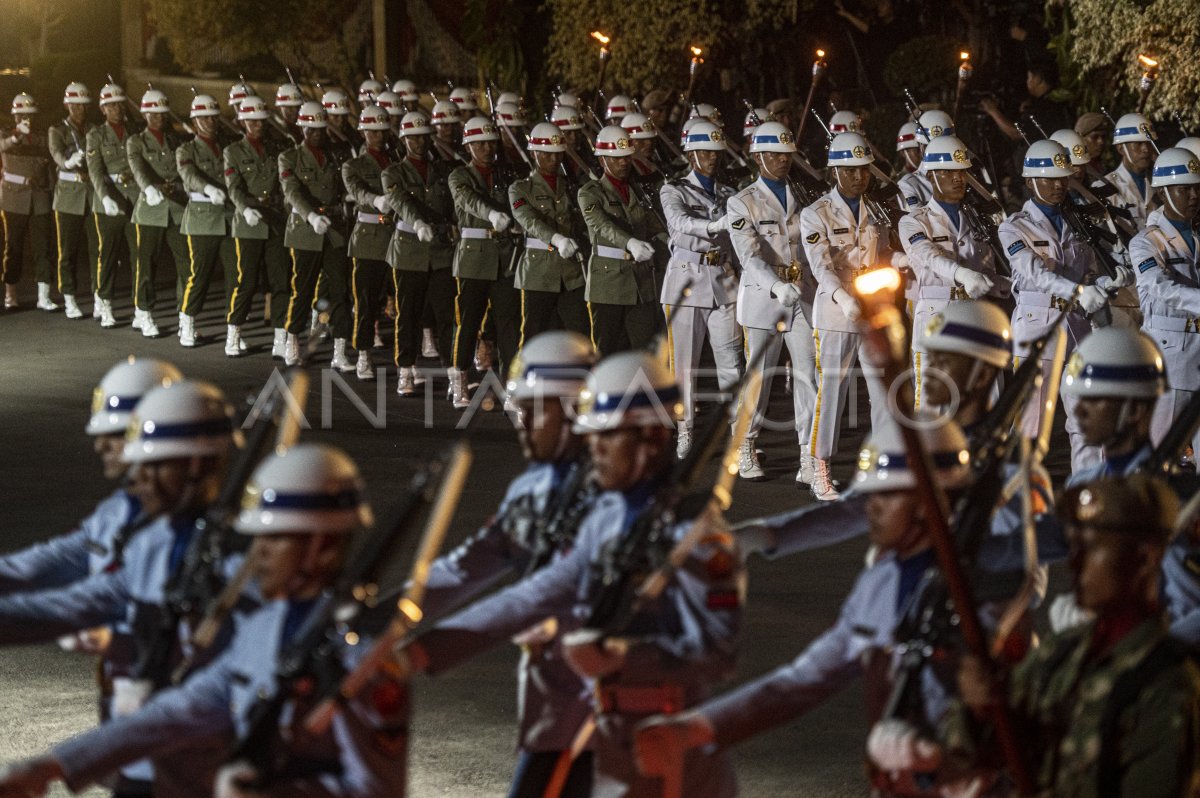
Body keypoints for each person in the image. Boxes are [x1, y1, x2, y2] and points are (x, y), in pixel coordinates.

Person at [400, 350, 743, 798]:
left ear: (651, 438)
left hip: (671, 748)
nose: (593, 450)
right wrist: (422, 650)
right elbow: (533, 594)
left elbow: (717, 652)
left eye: (606, 438)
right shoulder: (602, 519)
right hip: (602, 737)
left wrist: (622, 656)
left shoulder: (699, 537)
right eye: (591, 437)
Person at [0, 444, 407, 798]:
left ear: (325, 546)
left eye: (275, 538)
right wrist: (51, 766)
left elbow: (376, 791)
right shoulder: (263, 629)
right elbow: (178, 712)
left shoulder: (364, 662)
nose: (258, 552)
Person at [633, 420, 995, 795]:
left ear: (927, 504)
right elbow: (802, 681)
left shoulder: (983, 592)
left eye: (885, 497)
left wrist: (940, 753)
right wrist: (697, 727)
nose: (869, 508)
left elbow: (1023, 717)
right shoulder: (880, 586)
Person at [0, 380, 248, 797]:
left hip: (218, 771)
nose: (140, 478)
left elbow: (205, 698)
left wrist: (56, 763)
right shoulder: (153, 543)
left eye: (154, 465)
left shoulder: (246, 566)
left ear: (197, 467)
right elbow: (62, 605)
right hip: (143, 749)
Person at [411, 331, 600, 796]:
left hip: (610, 712)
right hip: (553, 701)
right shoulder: (534, 488)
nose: (521, 422)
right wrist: (379, 615)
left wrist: (423, 649)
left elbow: (550, 593)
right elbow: (470, 563)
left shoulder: (618, 495)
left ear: (576, 410)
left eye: (534, 409)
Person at [950, 474, 1200, 797]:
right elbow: (978, 752)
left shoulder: (1170, 685)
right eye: (1074, 545)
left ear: (1144, 559)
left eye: (1092, 547)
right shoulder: (1061, 653)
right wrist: (978, 708)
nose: (1075, 562)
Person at [999, 139, 1126, 472]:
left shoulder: (1077, 222)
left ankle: (1087, 492)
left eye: (1062, 178)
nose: (1058, 185)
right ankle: (1020, 498)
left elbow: (1090, 273)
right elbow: (1034, 272)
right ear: (1030, 182)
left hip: (1080, 327)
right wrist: (1081, 291)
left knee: (1087, 421)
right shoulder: (1014, 226)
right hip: (1038, 328)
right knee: (1031, 424)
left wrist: (1106, 282)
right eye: (1049, 178)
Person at [801, 131, 901, 500]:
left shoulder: (874, 208)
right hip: (836, 307)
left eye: (864, 169)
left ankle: (881, 460)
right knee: (832, 390)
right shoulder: (816, 213)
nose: (860, 176)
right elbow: (820, 266)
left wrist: (902, 261)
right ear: (835, 172)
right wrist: (844, 298)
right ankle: (820, 466)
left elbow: (885, 252)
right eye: (851, 170)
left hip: (873, 304)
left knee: (883, 388)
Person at [725, 120, 817, 484]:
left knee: (808, 376)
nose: (783, 160)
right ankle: (744, 443)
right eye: (776, 154)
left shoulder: (805, 194)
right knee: (758, 378)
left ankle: (809, 456)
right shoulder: (741, 201)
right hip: (766, 296)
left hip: (803, 294)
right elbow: (749, 256)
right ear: (759, 156)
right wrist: (777, 286)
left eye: (787, 153)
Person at [900, 135, 1007, 403]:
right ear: (931, 176)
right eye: (948, 172)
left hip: (976, 315)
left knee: (990, 402)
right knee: (931, 407)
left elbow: (987, 270)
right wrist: (962, 275)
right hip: (937, 316)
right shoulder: (914, 221)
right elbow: (929, 256)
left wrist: (1007, 283)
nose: (958, 179)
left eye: (961, 172)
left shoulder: (977, 219)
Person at [660, 119, 743, 459]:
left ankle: (739, 435)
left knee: (732, 363)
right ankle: (685, 430)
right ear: (691, 153)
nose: (711, 157)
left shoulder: (727, 193)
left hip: (722, 278)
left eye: (715, 151)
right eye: (705, 151)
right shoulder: (673, 189)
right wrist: (715, 224)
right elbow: (679, 224)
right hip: (687, 279)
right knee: (685, 366)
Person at [446, 115, 522, 407]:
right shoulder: (460, 176)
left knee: (508, 326)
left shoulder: (506, 174)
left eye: (491, 143)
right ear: (469, 146)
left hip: (504, 257)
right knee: (467, 323)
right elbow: (468, 200)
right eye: (480, 144)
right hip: (474, 257)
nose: (488, 148)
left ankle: (511, 387)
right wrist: (492, 214)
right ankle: (460, 380)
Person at [1130, 147, 1200, 458]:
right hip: (1170, 355)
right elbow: (1160, 287)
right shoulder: (1147, 241)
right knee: (1159, 453)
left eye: (1196, 187)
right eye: (1184, 189)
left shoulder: (1198, 238)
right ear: (1164, 191)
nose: (1194, 195)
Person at [382, 110, 457, 398]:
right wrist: (418, 222)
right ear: (404, 140)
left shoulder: (442, 170)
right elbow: (399, 200)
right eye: (413, 138)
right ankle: (406, 369)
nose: (419, 143)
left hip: (439, 251)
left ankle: (453, 370)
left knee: (446, 314)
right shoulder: (393, 173)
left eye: (423, 137)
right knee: (408, 314)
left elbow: (450, 205)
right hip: (410, 250)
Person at [578, 125, 666, 357]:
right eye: (616, 159)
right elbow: (601, 224)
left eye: (626, 157)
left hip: (641, 282)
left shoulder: (638, 190)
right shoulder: (590, 192)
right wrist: (630, 243)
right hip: (608, 284)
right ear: (603, 160)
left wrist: (672, 240)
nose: (623, 163)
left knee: (645, 351)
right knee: (608, 352)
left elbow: (654, 223)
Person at [279, 101, 354, 369]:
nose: (317, 134)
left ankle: (340, 350)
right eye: (311, 129)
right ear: (302, 129)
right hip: (305, 230)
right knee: (302, 290)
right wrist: (310, 215)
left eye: (321, 129)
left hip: (333, 229)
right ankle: (292, 340)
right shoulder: (290, 157)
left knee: (340, 290)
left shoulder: (336, 156)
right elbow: (292, 192)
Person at [508, 121, 590, 344]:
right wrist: (557, 238)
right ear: (534, 154)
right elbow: (529, 220)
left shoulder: (572, 186)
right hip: (538, 273)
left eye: (557, 154)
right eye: (547, 154)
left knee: (580, 333)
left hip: (571, 272)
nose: (554, 160)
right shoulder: (520, 188)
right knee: (533, 335)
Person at [223, 95, 291, 359]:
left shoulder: (276, 149)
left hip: (274, 219)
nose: (257, 125)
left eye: (261, 121)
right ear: (243, 122)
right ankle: (234, 334)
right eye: (251, 121)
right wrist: (245, 208)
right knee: (246, 282)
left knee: (280, 281)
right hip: (249, 221)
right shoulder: (233, 152)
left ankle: (280, 338)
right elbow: (234, 188)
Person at [126, 88, 186, 340]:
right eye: (154, 113)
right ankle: (145, 311)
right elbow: (138, 169)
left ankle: (186, 315)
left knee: (186, 264)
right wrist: (149, 188)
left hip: (178, 207)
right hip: (151, 207)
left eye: (162, 113)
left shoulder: (176, 140)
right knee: (146, 263)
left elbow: (184, 169)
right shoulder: (136, 141)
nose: (159, 117)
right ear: (145, 114)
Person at [342, 104, 397, 380]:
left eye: (382, 129)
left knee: (405, 300)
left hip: (398, 236)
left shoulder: (397, 159)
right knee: (366, 301)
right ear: (363, 131)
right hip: (370, 238)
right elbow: (356, 189)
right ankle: (363, 353)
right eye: (372, 130)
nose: (378, 135)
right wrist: (375, 200)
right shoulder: (353, 165)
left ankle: (406, 356)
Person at [175, 94, 233, 349]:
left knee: (236, 274)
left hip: (229, 215)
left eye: (212, 117)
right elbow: (188, 175)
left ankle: (234, 329)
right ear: (194, 121)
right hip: (202, 216)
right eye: (203, 118)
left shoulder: (227, 148)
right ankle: (187, 322)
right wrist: (208, 189)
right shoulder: (186, 149)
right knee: (199, 274)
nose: (209, 122)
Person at [86, 81, 139, 329]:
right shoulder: (96, 135)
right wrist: (105, 197)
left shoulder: (134, 132)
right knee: (107, 255)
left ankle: (141, 306)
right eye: (111, 105)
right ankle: (104, 302)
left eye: (120, 104)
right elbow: (95, 171)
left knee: (139, 254)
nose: (117, 109)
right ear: (103, 108)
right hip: (110, 198)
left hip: (135, 198)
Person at [1, 93, 55, 311]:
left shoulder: (42, 137)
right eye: (22, 115)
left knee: (43, 246)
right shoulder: (6, 135)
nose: (27, 119)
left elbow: (49, 162)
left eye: (30, 115)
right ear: (15, 117)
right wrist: (15, 137)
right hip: (14, 197)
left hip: (39, 195)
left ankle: (44, 295)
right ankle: (10, 293)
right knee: (13, 247)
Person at [48, 81, 97, 320]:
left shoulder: (93, 129)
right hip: (68, 196)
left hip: (92, 195)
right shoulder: (57, 130)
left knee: (98, 249)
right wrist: (68, 162)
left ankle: (100, 296)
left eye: (83, 106)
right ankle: (69, 297)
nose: (80, 110)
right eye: (75, 105)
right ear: (67, 104)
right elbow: (57, 154)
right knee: (67, 251)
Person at [1106, 113, 1158, 226]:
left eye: (1149, 143)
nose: (1145, 149)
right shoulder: (1105, 187)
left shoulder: (1160, 181)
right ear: (1121, 149)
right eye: (1138, 144)